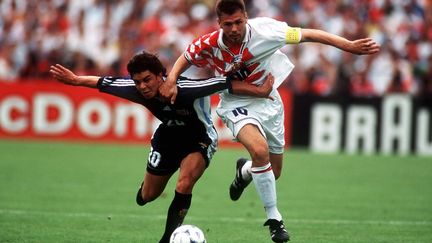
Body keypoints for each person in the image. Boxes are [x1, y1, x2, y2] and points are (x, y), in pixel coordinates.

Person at [159, 0, 380, 242]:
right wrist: (171, 80)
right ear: (219, 23)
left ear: (246, 16)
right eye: (228, 24)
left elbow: (309, 34)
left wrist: (348, 45)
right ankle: (275, 221)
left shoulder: (267, 31)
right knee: (259, 150)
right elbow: (186, 56)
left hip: (269, 101)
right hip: (235, 104)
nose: (234, 29)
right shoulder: (211, 43)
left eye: (238, 22)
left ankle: (244, 172)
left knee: (273, 172)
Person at [49, 51, 274, 243]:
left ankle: (167, 239)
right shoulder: (136, 90)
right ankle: (146, 188)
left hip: (199, 138)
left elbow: (225, 83)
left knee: (184, 183)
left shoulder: (185, 88)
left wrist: (261, 91)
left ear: (160, 76)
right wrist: (76, 80)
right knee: (147, 196)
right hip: (167, 138)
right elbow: (103, 82)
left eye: (147, 79)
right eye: (137, 81)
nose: (142, 86)